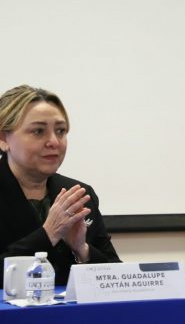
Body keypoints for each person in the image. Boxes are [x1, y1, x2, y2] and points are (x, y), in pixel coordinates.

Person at [0, 85, 120, 287]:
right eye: (38, 131)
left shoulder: (79, 193)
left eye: (61, 131)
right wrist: (48, 234)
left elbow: (116, 276)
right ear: (3, 139)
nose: (54, 142)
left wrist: (82, 250)